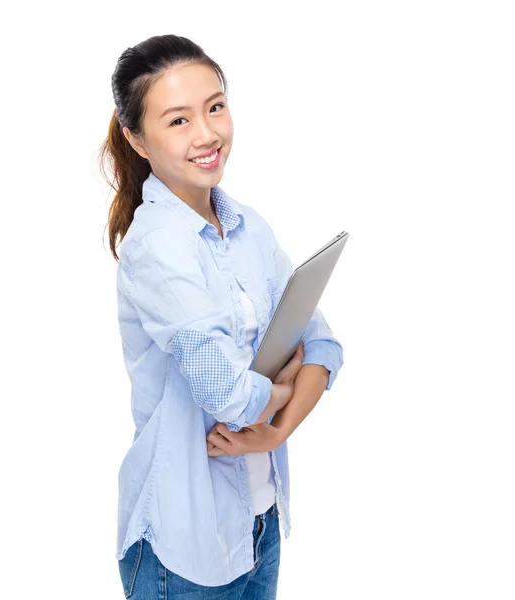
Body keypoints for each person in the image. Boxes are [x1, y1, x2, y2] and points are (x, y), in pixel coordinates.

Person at [98, 34, 344, 599]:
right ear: (136, 139)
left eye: (215, 107)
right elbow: (229, 396)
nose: (207, 134)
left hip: (259, 524)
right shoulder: (157, 245)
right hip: (182, 546)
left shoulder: (249, 227)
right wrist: (282, 388)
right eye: (178, 120)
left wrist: (275, 429)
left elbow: (325, 346)